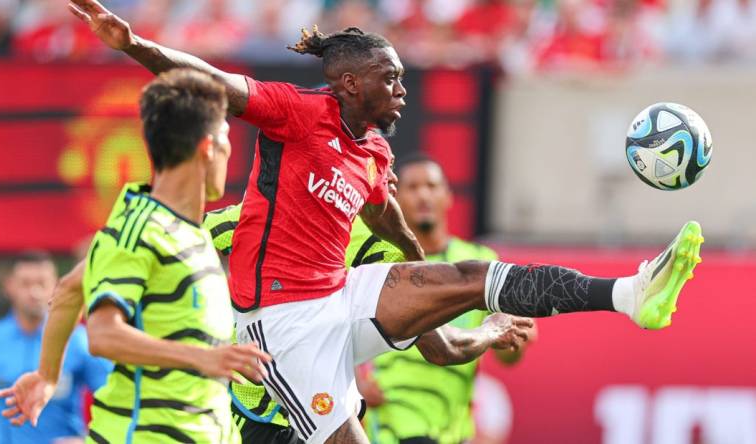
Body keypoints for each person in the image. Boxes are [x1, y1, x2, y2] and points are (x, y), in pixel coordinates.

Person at [66, 3, 704, 441]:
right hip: (282, 325)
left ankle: (628, 294)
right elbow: (214, 81)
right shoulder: (295, 111)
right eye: (389, 78)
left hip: (339, 295)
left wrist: (420, 267)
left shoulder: (373, 150)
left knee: (473, 274)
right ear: (346, 82)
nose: (402, 90)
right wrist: (135, 44)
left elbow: (383, 213)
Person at [0, 176, 532, 444]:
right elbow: (86, 312)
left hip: (312, 416)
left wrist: (486, 333)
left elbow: (443, 346)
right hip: (237, 418)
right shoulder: (217, 230)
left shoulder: (379, 260)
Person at [9, 69, 272, 444]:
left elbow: (69, 290)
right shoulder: (139, 229)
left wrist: (47, 376)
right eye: (227, 141)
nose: (231, 153)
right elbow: (102, 333)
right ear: (208, 148)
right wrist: (202, 357)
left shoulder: (188, 230)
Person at [360, 154, 537, 444]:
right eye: (413, 187)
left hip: (451, 430)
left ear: (447, 197)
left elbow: (510, 354)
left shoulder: (480, 263)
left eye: (431, 186)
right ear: (396, 197)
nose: (423, 195)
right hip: (391, 425)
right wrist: (355, 384)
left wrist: (514, 339)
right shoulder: (379, 263)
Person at [0, 251, 110, 444]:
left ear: (55, 285)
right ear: (9, 286)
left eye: (42, 283)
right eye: (25, 284)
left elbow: (116, 398)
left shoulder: (79, 341)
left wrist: (86, 439)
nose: (34, 292)